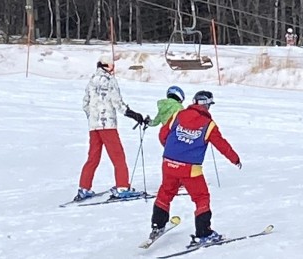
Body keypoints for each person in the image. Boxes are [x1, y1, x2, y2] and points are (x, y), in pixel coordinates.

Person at [148, 90, 241, 246]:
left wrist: (172, 149)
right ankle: (204, 233)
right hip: (190, 168)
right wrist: (235, 159)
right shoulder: (209, 125)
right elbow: (221, 144)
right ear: (206, 105)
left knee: (165, 192)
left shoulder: (179, 115)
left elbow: (163, 134)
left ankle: (157, 224)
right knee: (201, 197)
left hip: (168, 162)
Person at [74, 60, 147, 202]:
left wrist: (93, 117)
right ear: (106, 66)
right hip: (108, 125)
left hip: (94, 126)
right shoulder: (109, 80)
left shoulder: (91, 81)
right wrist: (133, 115)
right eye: (112, 66)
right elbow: (117, 103)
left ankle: (84, 188)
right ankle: (122, 187)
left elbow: (85, 104)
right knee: (118, 156)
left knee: (93, 157)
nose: (113, 69)